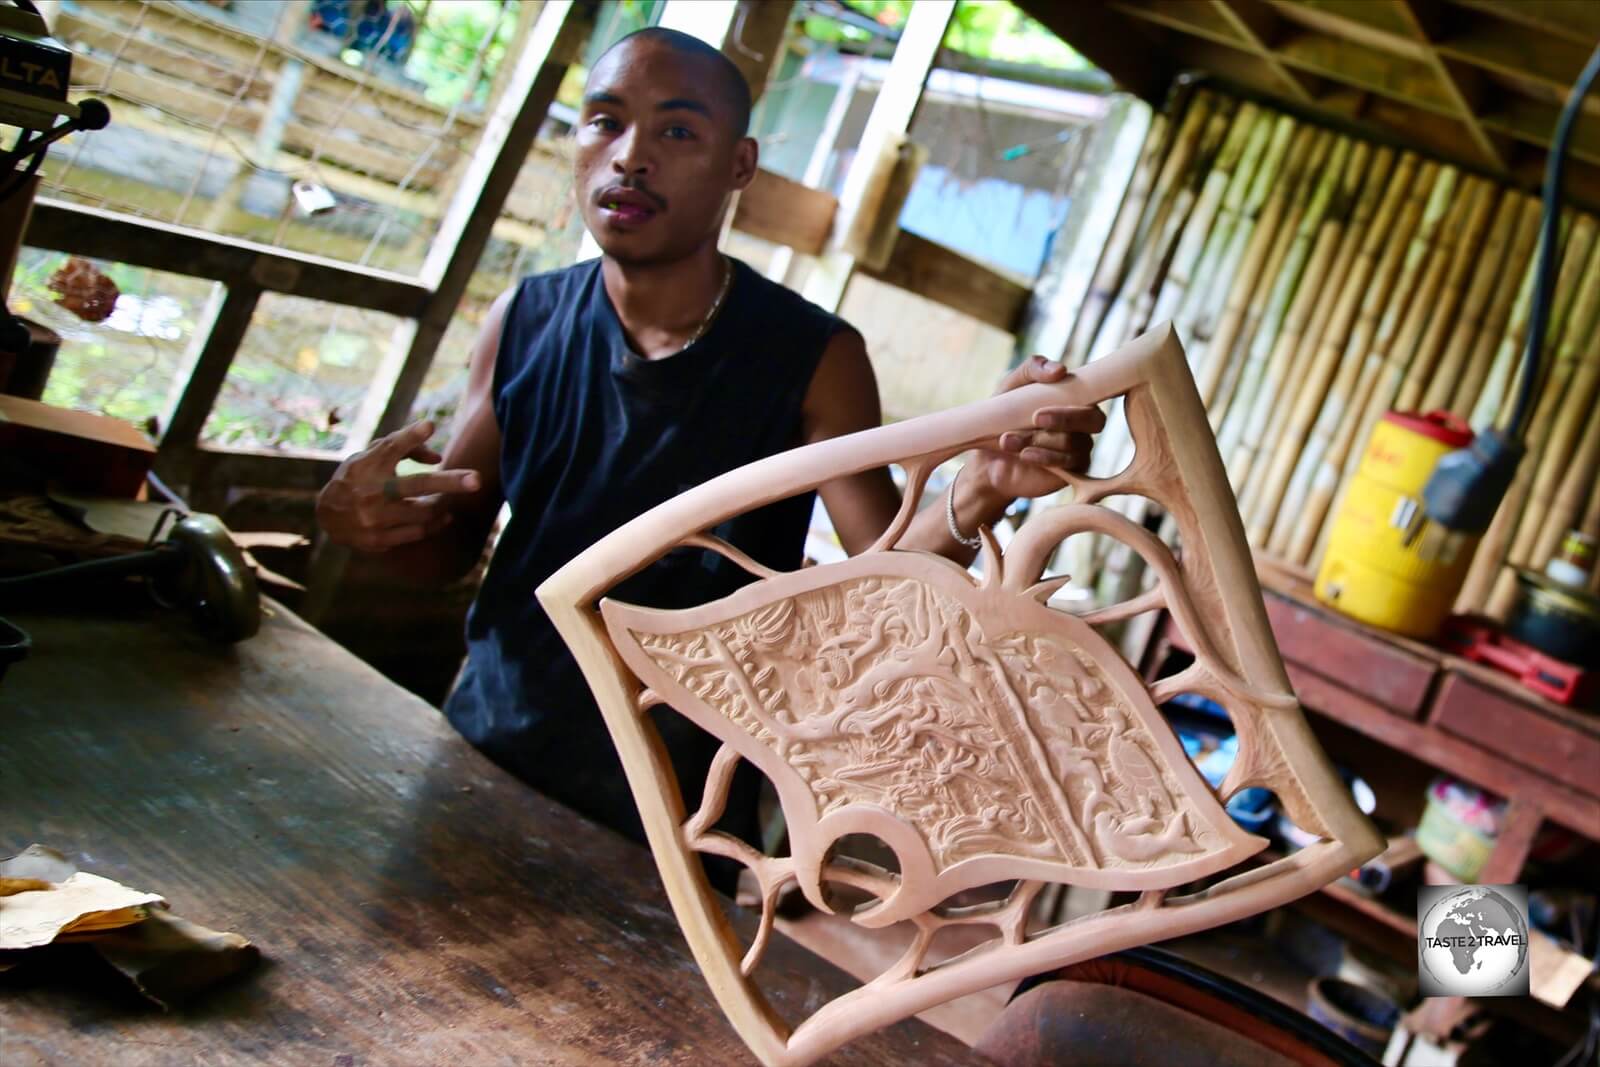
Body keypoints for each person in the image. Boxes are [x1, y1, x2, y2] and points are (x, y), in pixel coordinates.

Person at [316, 27, 1103, 872]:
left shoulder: (811, 357)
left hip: (682, 817)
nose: (629, 158)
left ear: (739, 165)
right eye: (603, 122)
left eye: (677, 131)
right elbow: (449, 548)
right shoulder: (525, 318)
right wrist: (365, 522)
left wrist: (980, 486)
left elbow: (881, 581)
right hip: (486, 746)